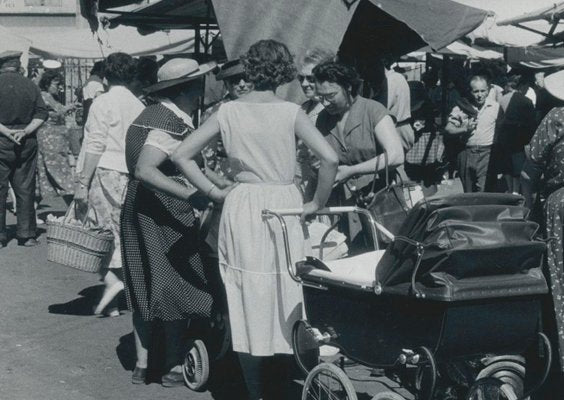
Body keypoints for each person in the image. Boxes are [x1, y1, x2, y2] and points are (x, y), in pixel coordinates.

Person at [171, 39, 338, 400]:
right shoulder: (292, 111)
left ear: (251, 70)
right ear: (283, 71)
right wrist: (317, 203)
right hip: (283, 203)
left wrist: (215, 192)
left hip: (244, 203)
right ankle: (287, 380)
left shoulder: (228, 111)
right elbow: (330, 159)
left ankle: (255, 388)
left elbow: (182, 154)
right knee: (290, 289)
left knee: (246, 292)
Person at [120, 57, 217, 387]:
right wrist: (190, 196)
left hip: (138, 206)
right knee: (172, 281)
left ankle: (143, 362)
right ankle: (174, 364)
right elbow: (146, 169)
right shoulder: (169, 122)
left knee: (144, 279)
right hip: (163, 210)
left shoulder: (147, 115)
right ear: (188, 88)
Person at [74, 52, 144, 316]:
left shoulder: (102, 102)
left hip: (105, 171)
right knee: (121, 231)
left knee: (100, 231)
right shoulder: (138, 104)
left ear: (105, 76)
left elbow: (95, 144)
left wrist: (83, 183)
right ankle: (114, 302)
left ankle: (113, 283)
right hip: (130, 173)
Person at [312, 61, 404, 247]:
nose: (325, 103)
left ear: (348, 87)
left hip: (381, 201)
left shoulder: (373, 110)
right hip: (344, 204)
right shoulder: (323, 118)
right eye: (320, 97)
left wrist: (351, 171)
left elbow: (396, 155)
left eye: (331, 96)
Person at [521, 69, 564, 391]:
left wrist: (526, 205)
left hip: (558, 206)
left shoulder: (556, 117)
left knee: (557, 284)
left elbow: (532, 166)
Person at [0, 51, 48, 248]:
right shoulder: (30, 85)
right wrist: (25, 131)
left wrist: (6, 132)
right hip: (26, 140)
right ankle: (26, 235)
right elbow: (42, 113)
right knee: (25, 187)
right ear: (19, 66)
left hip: (1, 139)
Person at [444, 75, 503, 193]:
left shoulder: (495, 107)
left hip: (487, 153)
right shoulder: (462, 107)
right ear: (470, 91)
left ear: (488, 90)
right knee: (468, 191)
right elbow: (448, 129)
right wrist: (465, 128)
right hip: (467, 153)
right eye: (476, 91)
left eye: (483, 91)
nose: (480, 95)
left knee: (484, 190)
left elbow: (501, 131)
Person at [296, 48, 335, 201]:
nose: (305, 84)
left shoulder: (331, 110)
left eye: (310, 78)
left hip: (323, 189)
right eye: (301, 79)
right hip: (301, 185)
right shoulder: (303, 108)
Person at [36, 70, 76, 202]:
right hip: (50, 140)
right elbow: (57, 112)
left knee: (54, 172)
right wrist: (69, 107)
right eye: (56, 84)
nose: (59, 87)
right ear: (47, 84)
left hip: (56, 139)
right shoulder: (44, 96)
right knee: (60, 172)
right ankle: (74, 210)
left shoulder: (52, 97)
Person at [497, 74, 536, 194]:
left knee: (507, 166)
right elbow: (531, 123)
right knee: (517, 166)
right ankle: (515, 191)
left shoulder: (502, 99)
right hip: (519, 139)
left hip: (504, 137)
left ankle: (509, 189)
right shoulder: (527, 101)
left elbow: (499, 120)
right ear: (522, 86)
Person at [405, 81, 444, 197]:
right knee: (415, 176)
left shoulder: (428, 108)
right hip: (416, 148)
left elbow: (435, 124)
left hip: (425, 148)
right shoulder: (410, 107)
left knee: (427, 176)